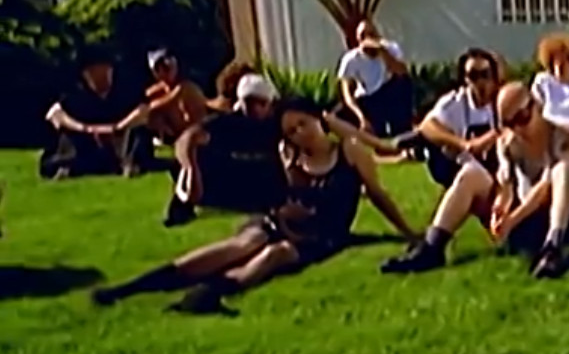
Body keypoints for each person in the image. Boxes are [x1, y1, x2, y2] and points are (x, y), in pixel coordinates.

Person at [92, 96, 417, 315]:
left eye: (303, 124)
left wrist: (407, 233)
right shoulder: (291, 158)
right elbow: (288, 200)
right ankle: (129, 289)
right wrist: (289, 196)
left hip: (322, 234)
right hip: (284, 221)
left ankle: (209, 295)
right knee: (242, 244)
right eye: (291, 130)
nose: (299, 133)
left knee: (276, 254)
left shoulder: (350, 151)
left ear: (319, 120)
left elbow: (376, 193)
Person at [485, 81, 569, 279]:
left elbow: (547, 184)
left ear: (537, 107)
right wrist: (499, 211)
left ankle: (554, 244)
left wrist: (513, 219)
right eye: (509, 124)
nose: (518, 129)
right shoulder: (508, 144)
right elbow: (506, 184)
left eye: (522, 118)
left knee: (561, 169)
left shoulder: (564, 136)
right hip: (532, 212)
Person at [164, 73, 290, 227]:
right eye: (249, 103)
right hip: (233, 180)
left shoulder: (282, 123)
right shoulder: (228, 122)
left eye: (260, 103)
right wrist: (191, 168)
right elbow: (186, 140)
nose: (254, 109)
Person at [40, 56, 151, 179]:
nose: (99, 75)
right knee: (67, 135)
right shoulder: (76, 90)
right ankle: (66, 166)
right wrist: (85, 129)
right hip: (88, 141)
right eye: (93, 72)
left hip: (120, 138)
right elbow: (55, 114)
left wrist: (117, 127)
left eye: (103, 70)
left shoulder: (125, 86)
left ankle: (131, 165)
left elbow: (143, 110)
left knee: (138, 132)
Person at [417, 48, 503, 188]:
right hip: (464, 167)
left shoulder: (503, 99)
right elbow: (427, 126)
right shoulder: (456, 101)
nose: (480, 82)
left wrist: (490, 137)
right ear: (465, 79)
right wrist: (461, 144)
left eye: (485, 74)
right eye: (473, 76)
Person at [335, 19, 415, 138]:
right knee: (339, 115)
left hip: (388, 93)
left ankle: (402, 128)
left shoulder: (390, 48)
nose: (367, 38)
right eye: (363, 36)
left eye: (371, 34)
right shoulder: (351, 59)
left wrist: (382, 52)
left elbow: (402, 72)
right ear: (358, 39)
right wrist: (361, 117)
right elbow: (347, 96)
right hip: (368, 98)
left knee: (402, 84)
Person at [139, 49, 212, 145]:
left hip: (199, 135)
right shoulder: (154, 92)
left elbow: (153, 107)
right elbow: (147, 111)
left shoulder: (185, 87)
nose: (169, 71)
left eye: (171, 66)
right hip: (175, 139)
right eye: (164, 68)